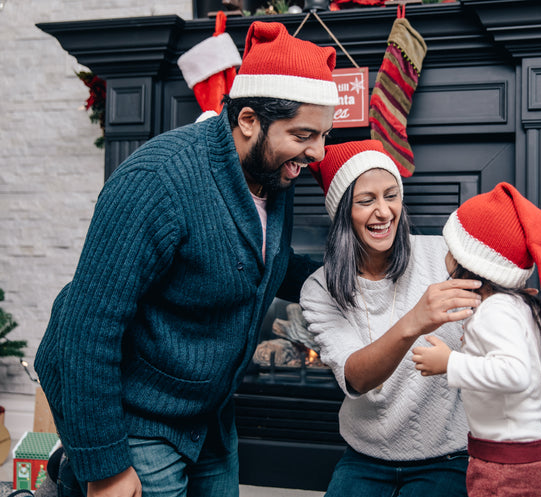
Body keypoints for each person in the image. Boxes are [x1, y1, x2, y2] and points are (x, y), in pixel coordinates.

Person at [34, 21, 338, 497]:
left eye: (322, 135)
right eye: (303, 135)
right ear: (248, 120)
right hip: (138, 421)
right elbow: (85, 328)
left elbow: (261, 264)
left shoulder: (270, 176)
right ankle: (75, 464)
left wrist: (355, 280)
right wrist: (105, 466)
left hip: (210, 419)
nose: (317, 153)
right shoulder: (158, 182)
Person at [300, 140, 482, 497]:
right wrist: (414, 320)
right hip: (365, 457)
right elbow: (355, 378)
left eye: (391, 195)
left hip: (448, 454)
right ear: (342, 213)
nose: (384, 212)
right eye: (367, 201)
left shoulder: (443, 257)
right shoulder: (320, 288)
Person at [411, 182, 541, 497]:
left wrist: (450, 362)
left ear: (470, 262)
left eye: (451, 248)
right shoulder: (519, 304)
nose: (445, 255)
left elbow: (515, 373)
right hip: (529, 454)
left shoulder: (494, 312)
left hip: (506, 465)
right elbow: (531, 360)